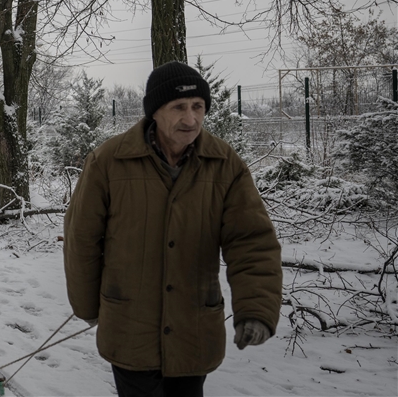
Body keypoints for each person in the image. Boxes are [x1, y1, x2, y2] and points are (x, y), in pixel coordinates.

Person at [63, 61, 282, 397]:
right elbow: (82, 240)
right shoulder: (109, 161)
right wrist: (89, 309)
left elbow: (251, 242)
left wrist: (256, 310)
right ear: (155, 112)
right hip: (130, 329)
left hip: (194, 330)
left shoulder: (225, 164)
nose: (191, 119)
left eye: (198, 107)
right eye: (179, 107)